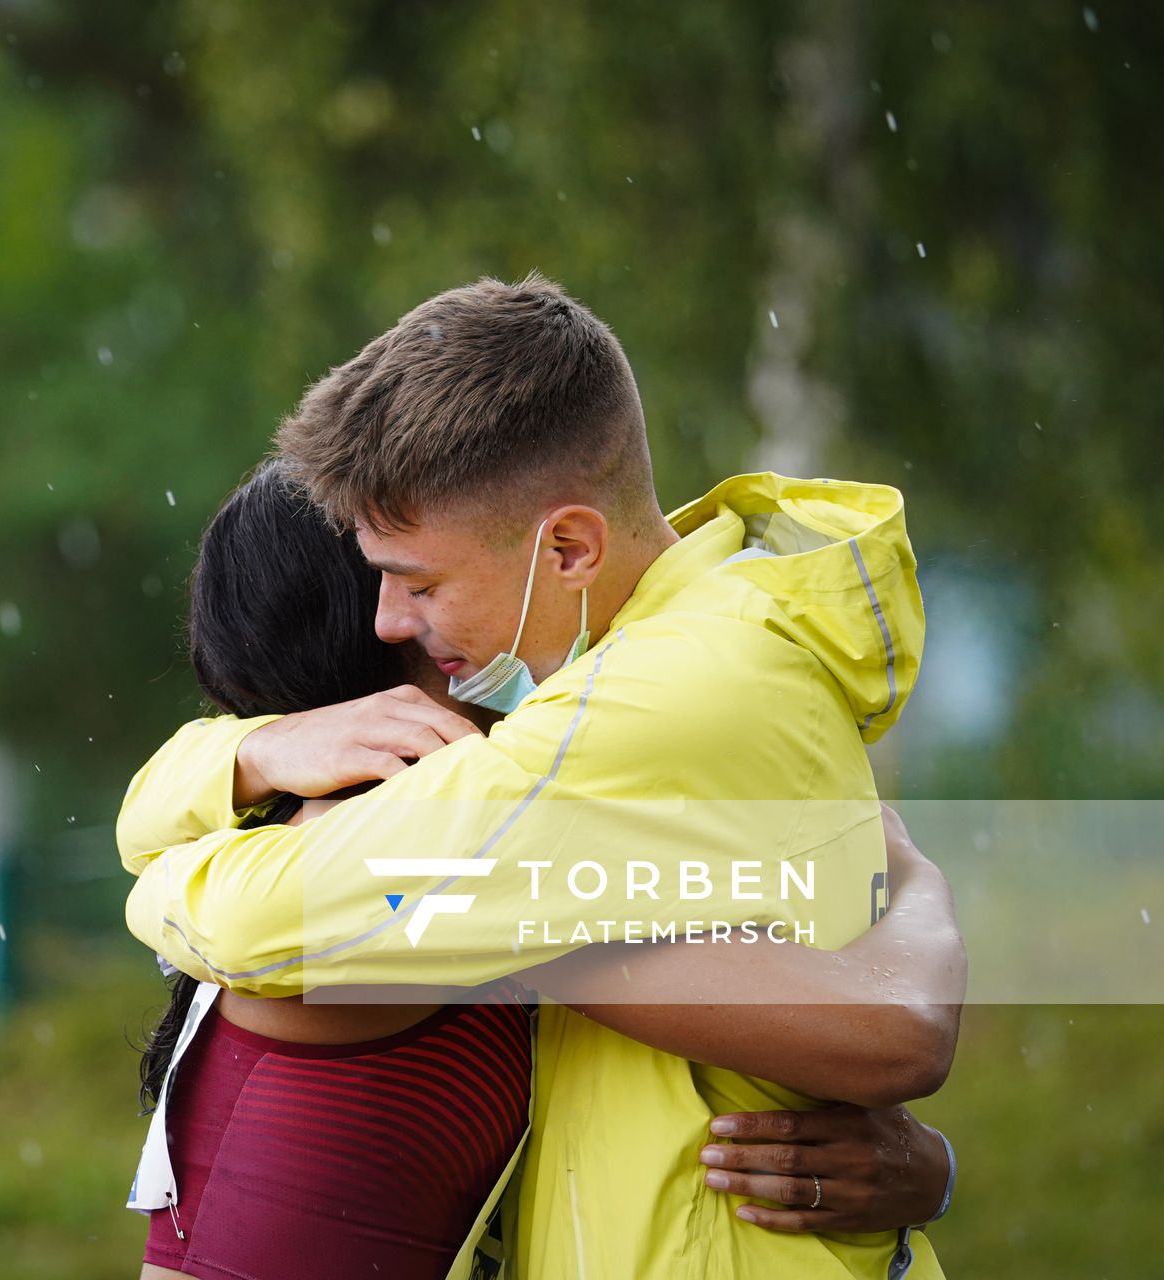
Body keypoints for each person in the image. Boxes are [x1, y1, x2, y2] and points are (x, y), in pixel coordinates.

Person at [118, 275, 956, 1277]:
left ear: (567, 546)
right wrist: (243, 757)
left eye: (419, 584)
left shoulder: (618, 720)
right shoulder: (699, 645)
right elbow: (876, 1030)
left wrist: (173, 865)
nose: (395, 618)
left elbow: (259, 916)